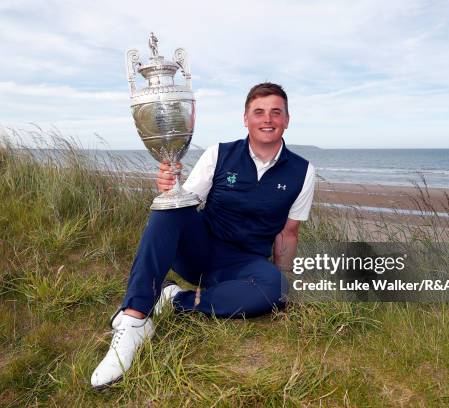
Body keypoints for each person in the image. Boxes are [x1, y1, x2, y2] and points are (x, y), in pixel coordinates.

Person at [91, 82, 316, 389]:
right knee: (170, 207)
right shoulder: (219, 155)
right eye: (259, 112)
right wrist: (168, 188)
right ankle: (135, 318)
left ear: (287, 119)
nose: (268, 119)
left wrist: (282, 281)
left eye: (276, 112)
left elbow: (289, 233)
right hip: (199, 252)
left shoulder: (302, 172)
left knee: (274, 288)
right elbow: (182, 202)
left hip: (244, 263)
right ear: (246, 118)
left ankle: (175, 299)